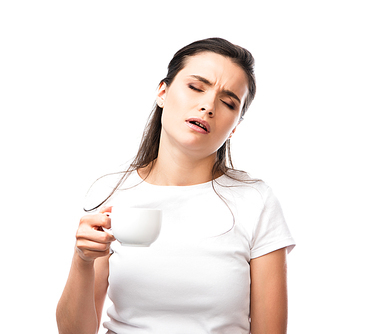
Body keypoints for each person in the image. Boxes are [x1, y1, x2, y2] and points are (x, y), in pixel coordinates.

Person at [56, 37, 295, 334]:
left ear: (234, 127)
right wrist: (82, 261)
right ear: (163, 92)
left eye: (228, 102)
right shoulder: (113, 191)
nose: (208, 106)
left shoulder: (255, 201)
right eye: (196, 87)